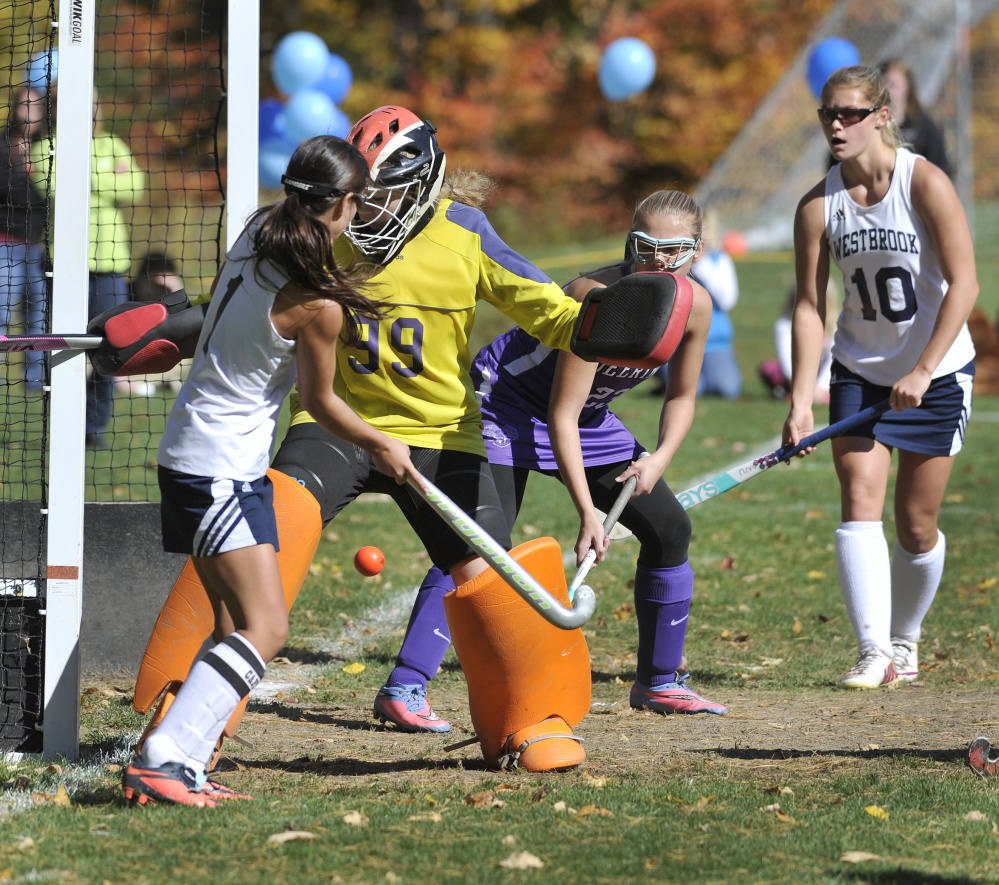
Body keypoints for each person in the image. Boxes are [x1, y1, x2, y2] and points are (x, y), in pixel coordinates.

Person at [134, 105, 642, 773]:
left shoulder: (465, 233)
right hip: (336, 424)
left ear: (424, 184)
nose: (370, 211)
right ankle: (189, 710)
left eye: (388, 194)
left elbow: (546, 309)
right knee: (266, 531)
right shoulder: (316, 230)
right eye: (362, 197)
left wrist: (608, 328)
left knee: (486, 572)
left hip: (441, 433)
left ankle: (532, 715)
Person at [121, 135, 413, 807]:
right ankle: (163, 754)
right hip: (217, 466)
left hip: (199, 456)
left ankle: (180, 759)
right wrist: (381, 442)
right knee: (267, 626)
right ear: (342, 204)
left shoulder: (257, 230)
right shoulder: (317, 303)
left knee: (232, 623)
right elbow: (320, 403)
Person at [374, 188, 725, 733]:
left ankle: (659, 682)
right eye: (645, 244)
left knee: (669, 529)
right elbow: (560, 412)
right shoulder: (599, 297)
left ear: (697, 250)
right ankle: (405, 685)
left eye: (673, 250)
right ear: (628, 241)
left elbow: (681, 397)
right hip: (504, 406)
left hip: (589, 418)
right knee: (479, 542)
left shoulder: (696, 306)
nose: (657, 259)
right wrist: (587, 512)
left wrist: (657, 459)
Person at [783, 65, 977, 691]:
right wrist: (799, 398)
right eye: (828, 115)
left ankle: (906, 639)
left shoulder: (926, 184)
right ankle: (873, 652)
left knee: (916, 525)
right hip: (859, 372)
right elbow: (811, 306)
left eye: (849, 114)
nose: (836, 125)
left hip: (937, 373)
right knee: (858, 500)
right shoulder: (817, 206)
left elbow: (966, 285)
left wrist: (922, 370)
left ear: (881, 116)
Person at [651, 208, 741, 399]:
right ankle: (661, 375)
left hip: (714, 342)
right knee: (690, 390)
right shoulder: (669, 260)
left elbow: (727, 300)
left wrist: (702, 265)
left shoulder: (720, 260)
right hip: (676, 339)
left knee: (728, 389)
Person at [0, 86, 48, 390]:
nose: (27, 113)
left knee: (38, 316)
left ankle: (33, 380)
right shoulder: (3, 146)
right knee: (3, 308)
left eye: (34, 108)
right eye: (23, 106)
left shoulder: (49, 149)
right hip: (6, 242)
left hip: (38, 244)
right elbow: (10, 190)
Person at [879, 58, 951, 177]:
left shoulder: (922, 125)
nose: (886, 89)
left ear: (907, 86)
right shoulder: (872, 123)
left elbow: (940, 168)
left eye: (892, 84)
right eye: (883, 83)